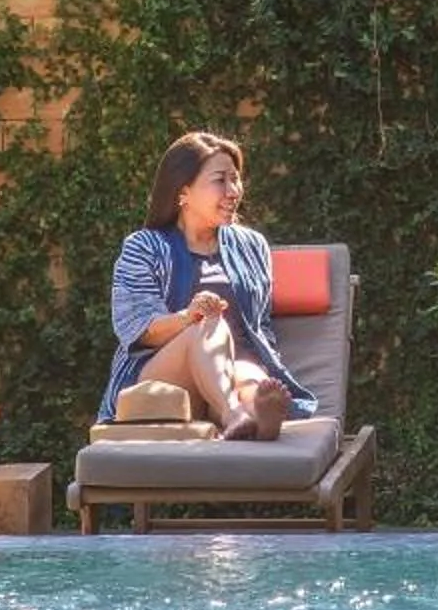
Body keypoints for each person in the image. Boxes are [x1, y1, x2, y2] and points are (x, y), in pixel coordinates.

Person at [98, 129, 316, 440]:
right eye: (220, 180)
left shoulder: (251, 246)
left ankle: (256, 415)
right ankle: (233, 412)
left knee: (253, 379)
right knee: (209, 324)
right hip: (161, 380)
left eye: (235, 178)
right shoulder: (144, 247)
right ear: (182, 191)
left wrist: (256, 368)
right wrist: (190, 316)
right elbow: (139, 331)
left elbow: (260, 326)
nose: (233, 190)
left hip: (228, 369)